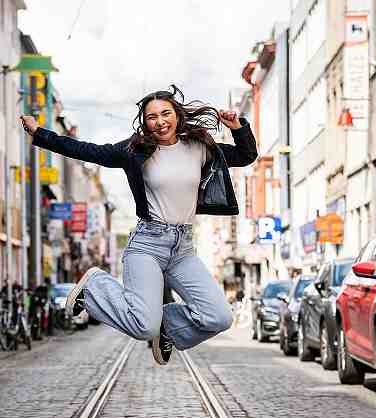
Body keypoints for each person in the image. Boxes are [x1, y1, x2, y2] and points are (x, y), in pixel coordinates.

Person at [21, 84, 257, 365]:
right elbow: (88, 151)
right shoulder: (135, 150)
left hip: (183, 248)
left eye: (166, 114)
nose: (160, 122)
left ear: (178, 115)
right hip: (148, 244)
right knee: (143, 326)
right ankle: (96, 287)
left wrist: (238, 127)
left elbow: (245, 156)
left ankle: (168, 327)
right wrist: (40, 134)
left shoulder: (200, 147)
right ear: (145, 122)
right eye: (152, 117)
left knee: (219, 316)